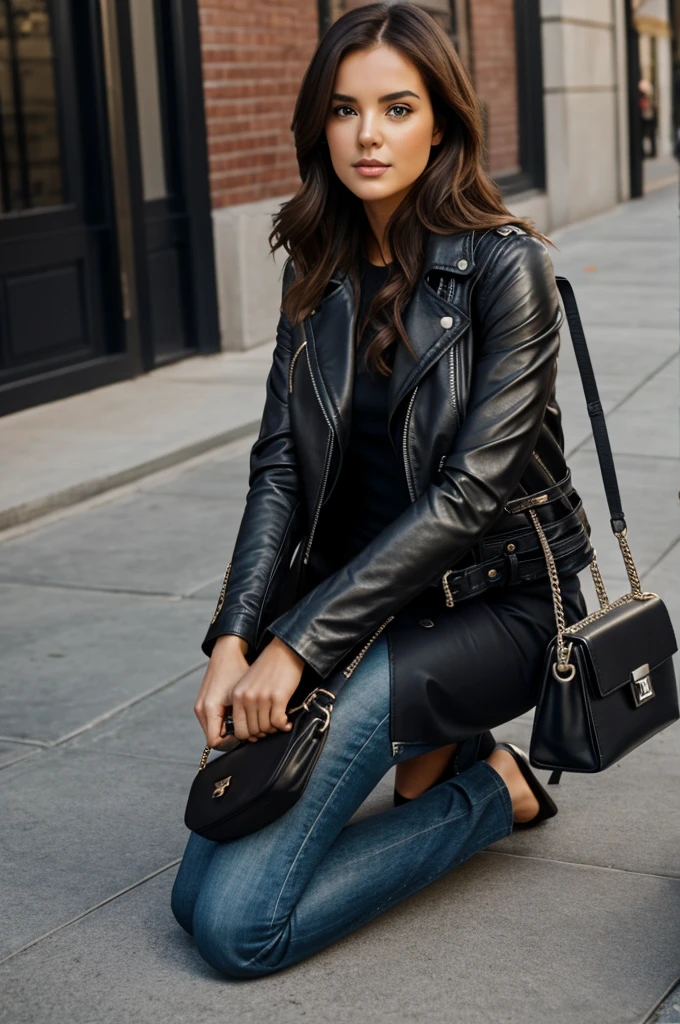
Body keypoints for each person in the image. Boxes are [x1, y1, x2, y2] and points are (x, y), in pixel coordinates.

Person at [171, 2, 593, 977]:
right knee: (190, 898)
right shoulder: (313, 265)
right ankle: (441, 748)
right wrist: (235, 637)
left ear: (439, 120)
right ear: (318, 123)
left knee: (238, 929)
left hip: (493, 603)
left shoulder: (504, 265)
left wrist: (298, 645)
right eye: (344, 109)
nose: (367, 134)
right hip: (356, 605)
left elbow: (469, 495)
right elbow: (278, 464)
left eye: (396, 108)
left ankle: (490, 789)